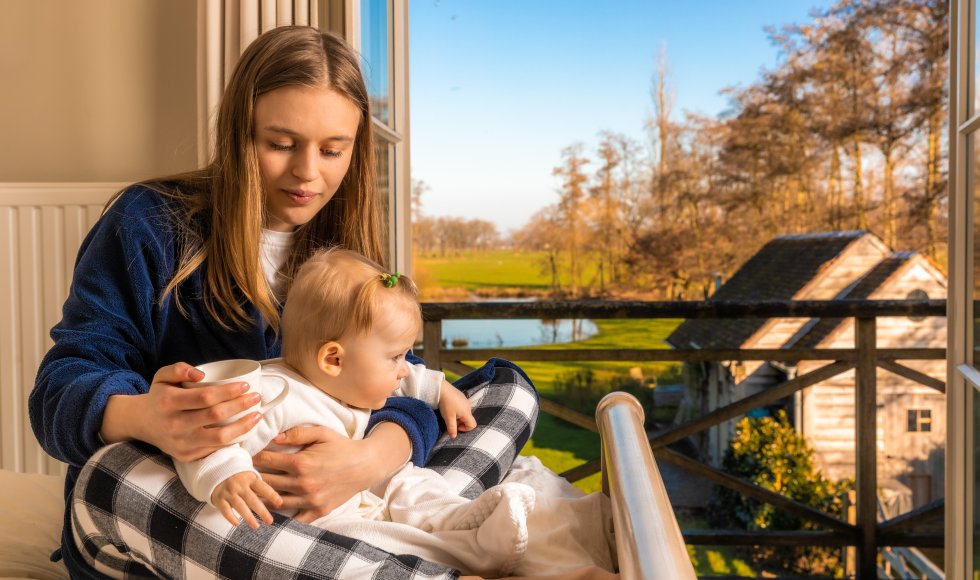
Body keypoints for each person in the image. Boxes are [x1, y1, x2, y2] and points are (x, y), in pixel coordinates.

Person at [28, 26, 596, 579]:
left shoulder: (343, 245)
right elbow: (60, 388)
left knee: (507, 392)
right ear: (237, 133)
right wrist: (142, 417)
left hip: (336, 501)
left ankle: (366, 546)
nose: (307, 173)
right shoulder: (148, 221)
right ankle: (432, 562)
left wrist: (370, 459)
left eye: (332, 150)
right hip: (209, 499)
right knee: (109, 478)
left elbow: (393, 375)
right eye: (280, 144)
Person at [173, 248, 617, 578]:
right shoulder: (274, 394)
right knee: (385, 541)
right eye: (395, 356)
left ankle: (463, 519)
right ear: (333, 359)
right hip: (329, 522)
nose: (406, 365)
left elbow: (408, 379)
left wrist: (439, 388)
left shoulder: (347, 373)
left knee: (417, 482)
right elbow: (203, 440)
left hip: (377, 487)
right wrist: (224, 475)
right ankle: (465, 557)